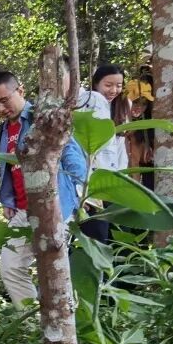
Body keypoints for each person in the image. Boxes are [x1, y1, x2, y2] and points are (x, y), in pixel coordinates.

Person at [0, 71, 87, 306]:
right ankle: (33, 323)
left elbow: (71, 154)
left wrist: (82, 193)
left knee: (54, 271)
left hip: (54, 206)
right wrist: (8, 200)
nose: (0, 108)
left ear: (20, 90)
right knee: (10, 267)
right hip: (23, 210)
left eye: (4, 100)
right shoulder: (3, 130)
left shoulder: (44, 118)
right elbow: (10, 168)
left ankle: (66, 319)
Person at [77, 65, 130, 242]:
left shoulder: (121, 107)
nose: (114, 90)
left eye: (119, 85)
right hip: (92, 184)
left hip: (113, 184)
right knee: (96, 238)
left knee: (116, 238)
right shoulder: (91, 99)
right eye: (108, 85)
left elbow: (120, 152)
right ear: (96, 83)